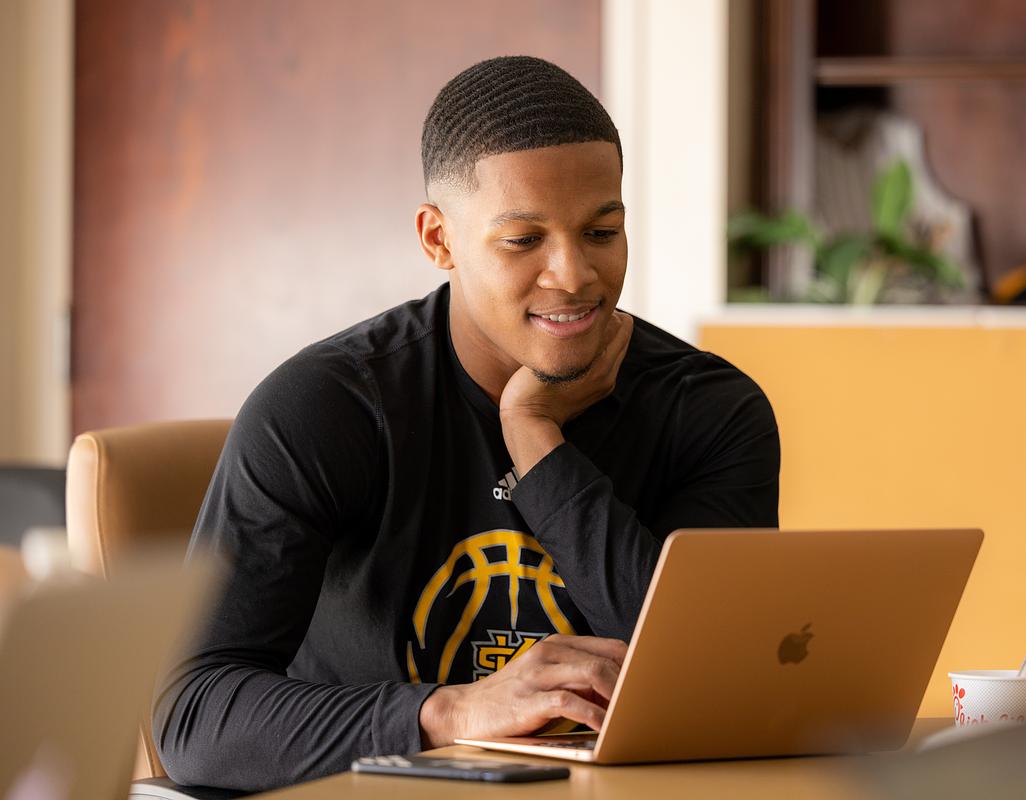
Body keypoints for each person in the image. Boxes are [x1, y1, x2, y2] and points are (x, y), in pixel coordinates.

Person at [153, 55, 780, 792]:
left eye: (602, 231)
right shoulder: (326, 408)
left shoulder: (709, 409)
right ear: (438, 240)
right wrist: (451, 712)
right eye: (523, 241)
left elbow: (706, 682)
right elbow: (195, 720)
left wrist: (534, 438)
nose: (574, 274)